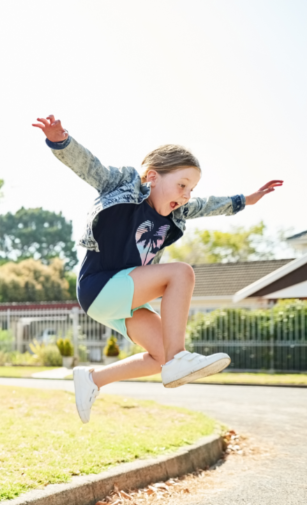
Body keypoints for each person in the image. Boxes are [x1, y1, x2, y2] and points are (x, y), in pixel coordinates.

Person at [32, 114, 282, 422]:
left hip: (124, 300)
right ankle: (179, 358)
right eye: (182, 185)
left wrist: (246, 200)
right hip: (99, 287)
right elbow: (90, 166)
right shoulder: (124, 185)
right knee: (181, 273)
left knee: (159, 355)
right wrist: (61, 141)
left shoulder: (178, 212)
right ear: (152, 177)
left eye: (191, 189)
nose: (186, 195)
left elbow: (208, 204)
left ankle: (93, 379)